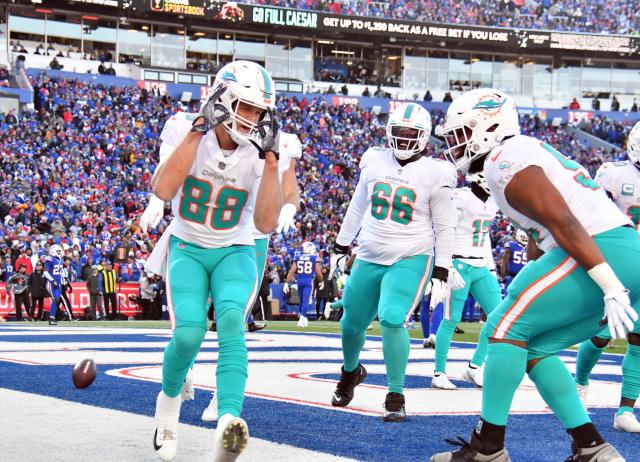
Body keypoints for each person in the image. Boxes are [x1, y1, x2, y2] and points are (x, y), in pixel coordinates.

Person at [431, 88, 637, 461]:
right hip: (622, 251)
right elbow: (542, 234)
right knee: (533, 345)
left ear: (488, 127)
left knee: (504, 328)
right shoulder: (517, 154)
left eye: (460, 134)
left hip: (599, 248)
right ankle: (591, 447)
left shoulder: (503, 157)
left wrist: (609, 284)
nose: (455, 145)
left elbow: (565, 221)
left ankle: (487, 449)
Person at [144, 61, 282, 462]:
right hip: (187, 244)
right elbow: (164, 189)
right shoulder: (184, 129)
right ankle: (167, 410)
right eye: (244, 106)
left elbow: (265, 222)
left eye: (258, 111)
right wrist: (197, 130)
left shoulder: (262, 151)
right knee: (188, 334)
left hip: (234, 250)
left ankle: (228, 424)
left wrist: (272, 163)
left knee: (231, 325)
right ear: (221, 99)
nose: (252, 118)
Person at [328, 103, 458, 423]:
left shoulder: (435, 171)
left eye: (409, 133)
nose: (402, 139)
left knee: (391, 317)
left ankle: (395, 393)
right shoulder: (373, 159)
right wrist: (340, 244)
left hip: (410, 256)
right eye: (398, 131)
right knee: (350, 325)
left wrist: (441, 269)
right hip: (369, 254)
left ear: (424, 137)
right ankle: (350, 372)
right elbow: (358, 205)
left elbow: (445, 226)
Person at [574, 120, 640, 433]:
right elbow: (593, 213)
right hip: (617, 264)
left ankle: (625, 410)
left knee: (639, 341)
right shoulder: (614, 172)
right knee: (601, 335)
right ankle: (580, 382)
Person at [432, 174, 502, 390]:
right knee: (451, 319)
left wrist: (491, 267)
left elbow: (485, 235)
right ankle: (439, 373)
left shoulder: (493, 202)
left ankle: (473, 367)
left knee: (499, 317)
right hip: (459, 264)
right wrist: (447, 265)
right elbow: (442, 230)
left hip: (481, 265)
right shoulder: (459, 197)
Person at [284, 241, 322, 327]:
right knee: (306, 301)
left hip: (299, 280)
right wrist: (321, 281)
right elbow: (319, 273)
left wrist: (286, 283)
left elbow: (292, 271)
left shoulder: (298, 257)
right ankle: (302, 317)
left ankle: (303, 318)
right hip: (308, 280)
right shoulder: (314, 257)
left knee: (301, 300)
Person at [43, 244, 64, 326]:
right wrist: (52, 280)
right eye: (58, 251)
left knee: (57, 300)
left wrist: (64, 278)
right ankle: (51, 318)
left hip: (58, 282)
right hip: (51, 283)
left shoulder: (60, 260)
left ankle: (53, 317)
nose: (59, 252)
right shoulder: (50, 259)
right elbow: (45, 272)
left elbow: (60, 271)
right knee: (55, 299)